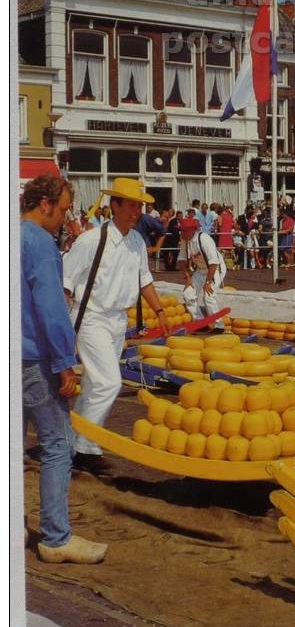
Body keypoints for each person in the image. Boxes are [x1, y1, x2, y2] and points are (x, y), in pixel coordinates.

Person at [21, 175, 108, 563]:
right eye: (64, 208)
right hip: (34, 356)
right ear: (45, 204)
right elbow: (52, 309)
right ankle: (55, 537)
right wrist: (64, 363)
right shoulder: (39, 243)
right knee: (58, 445)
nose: (66, 216)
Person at [63, 178, 169, 473]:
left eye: (140, 205)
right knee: (110, 381)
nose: (137, 211)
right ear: (115, 206)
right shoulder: (91, 240)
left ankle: (76, 442)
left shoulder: (136, 241)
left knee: (97, 384)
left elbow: (144, 280)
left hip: (117, 321)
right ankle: (87, 447)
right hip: (91, 318)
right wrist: (59, 325)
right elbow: (66, 283)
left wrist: (159, 309)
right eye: (131, 204)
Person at [181, 217, 227, 332]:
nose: (182, 233)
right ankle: (200, 322)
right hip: (200, 270)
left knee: (208, 296)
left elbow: (214, 262)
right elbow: (181, 260)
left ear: (192, 230)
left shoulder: (204, 239)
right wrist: (188, 277)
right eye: (181, 230)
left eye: (184, 230)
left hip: (216, 269)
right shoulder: (184, 241)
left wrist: (208, 282)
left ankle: (219, 325)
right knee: (188, 293)